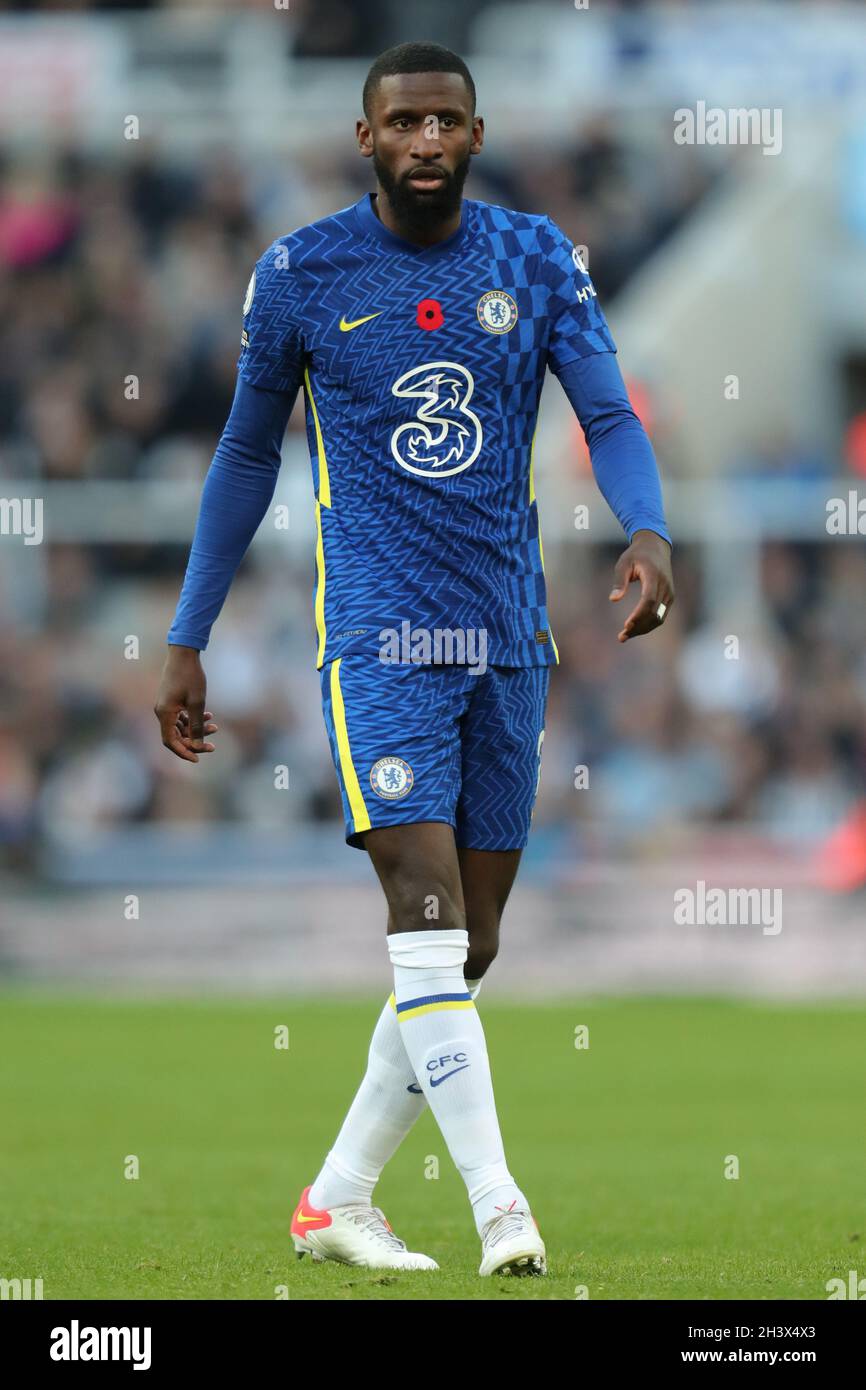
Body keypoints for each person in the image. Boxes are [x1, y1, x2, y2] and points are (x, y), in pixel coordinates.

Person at [155, 41, 674, 1278]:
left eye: (446, 121)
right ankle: (501, 1205)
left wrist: (647, 527)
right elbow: (240, 458)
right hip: (379, 637)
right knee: (423, 918)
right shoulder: (301, 272)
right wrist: (187, 632)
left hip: (507, 636)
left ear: (477, 135)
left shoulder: (535, 257)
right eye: (405, 124)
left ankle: (335, 1197)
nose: (426, 141)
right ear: (365, 136)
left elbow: (605, 411)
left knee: (471, 942)